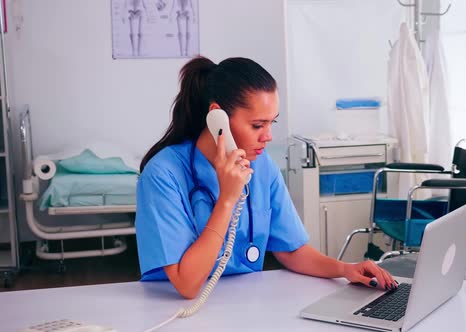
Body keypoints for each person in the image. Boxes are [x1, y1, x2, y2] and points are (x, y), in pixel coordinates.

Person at [136, 55, 397, 299]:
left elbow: (291, 250)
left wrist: (344, 269)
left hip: (246, 302)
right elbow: (187, 284)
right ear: (218, 117)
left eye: (272, 123)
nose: (268, 136)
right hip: (173, 309)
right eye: (257, 125)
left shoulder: (261, 166)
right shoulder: (163, 174)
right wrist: (227, 199)